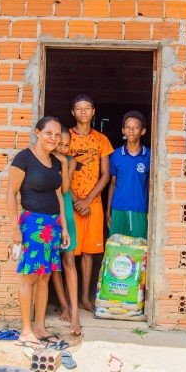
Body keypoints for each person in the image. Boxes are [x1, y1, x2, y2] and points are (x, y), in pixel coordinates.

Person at [6, 116, 70, 346]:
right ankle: (25, 331)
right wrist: (15, 229)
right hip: (32, 226)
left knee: (45, 277)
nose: (53, 138)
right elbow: (11, 194)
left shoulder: (54, 162)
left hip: (52, 226)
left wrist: (64, 227)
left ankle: (40, 328)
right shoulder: (24, 158)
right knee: (30, 277)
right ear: (37, 132)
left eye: (57, 134)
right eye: (48, 133)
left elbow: (59, 195)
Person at [68, 94, 113, 311]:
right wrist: (76, 200)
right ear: (73, 112)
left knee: (88, 253)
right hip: (70, 202)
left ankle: (84, 298)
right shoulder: (65, 137)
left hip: (93, 204)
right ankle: (68, 301)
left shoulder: (101, 140)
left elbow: (105, 175)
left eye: (87, 108)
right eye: (79, 108)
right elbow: (59, 170)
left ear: (93, 111)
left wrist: (87, 200)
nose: (83, 112)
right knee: (69, 251)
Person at [49, 129, 82, 336]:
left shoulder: (68, 161)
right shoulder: (42, 159)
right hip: (48, 210)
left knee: (68, 259)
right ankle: (64, 304)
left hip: (66, 209)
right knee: (53, 263)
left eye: (67, 145)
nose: (63, 148)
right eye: (60, 144)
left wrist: (62, 162)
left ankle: (75, 310)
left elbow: (65, 189)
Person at [107, 111, 151, 239]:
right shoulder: (115, 155)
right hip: (118, 208)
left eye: (135, 127)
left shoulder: (149, 155)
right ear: (123, 130)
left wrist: (150, 210)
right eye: (127, 127)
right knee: (117, 248)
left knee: (140, 249)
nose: (131, 131)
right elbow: (113, 183)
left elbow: (150, 185)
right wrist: (108, 210)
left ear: (143, 131)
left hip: (140, 209)